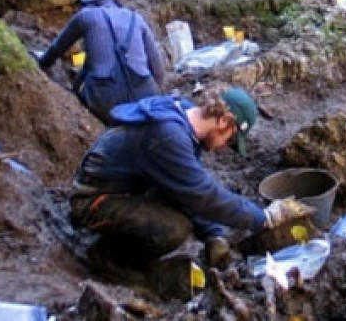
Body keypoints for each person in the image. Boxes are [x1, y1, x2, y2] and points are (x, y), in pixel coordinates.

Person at [69, 86, 314, 277]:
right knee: (174, 229)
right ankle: (107, 259)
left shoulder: (184, 117)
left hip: (129, 186)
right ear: (224, 121)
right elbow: (203, 196)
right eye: (229, 140)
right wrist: (265, 218)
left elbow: (186, 188)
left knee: (185, 209)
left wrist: (212, 235)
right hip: (94, 200)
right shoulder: (169, 136)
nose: (223, 149)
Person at [39, 0, 165, 124]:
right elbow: (159, 70)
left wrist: (41, 64)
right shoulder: (136, 19)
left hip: (105, 102)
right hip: (143, 100)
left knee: (84, 77)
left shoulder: (86, 15)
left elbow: (57, 48)